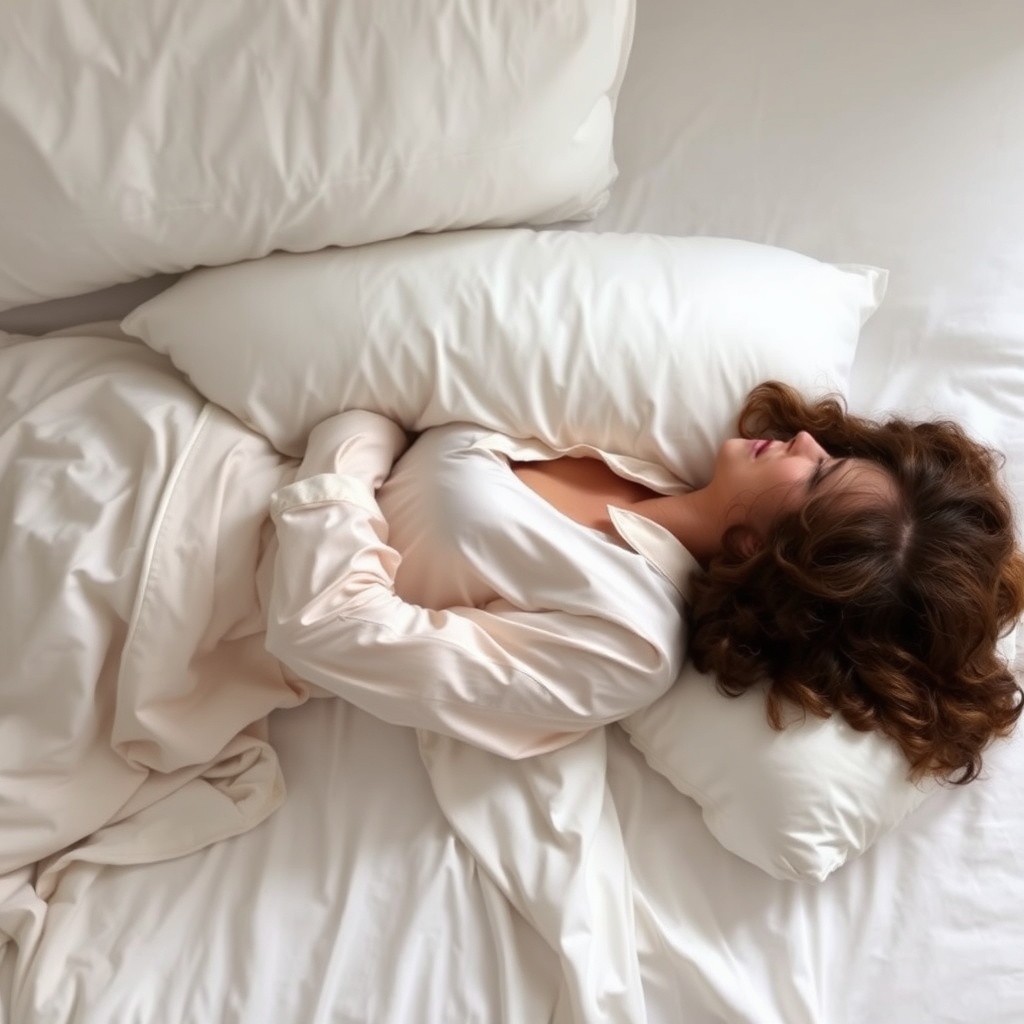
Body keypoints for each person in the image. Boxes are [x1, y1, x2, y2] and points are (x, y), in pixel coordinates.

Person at [265, 381, 1024, 783]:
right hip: (221, 446)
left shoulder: (628, 644)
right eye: (828, 453)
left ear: (777, 553)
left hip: (208, 594)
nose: (803, 438)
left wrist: (353, 435)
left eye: (816, 473)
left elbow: (323, 628)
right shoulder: (647, 456)